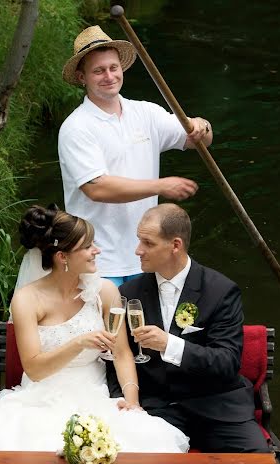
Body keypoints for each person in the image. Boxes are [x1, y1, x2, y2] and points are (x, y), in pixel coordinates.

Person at [0, 204, 206, 464]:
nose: (96, 251)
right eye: (87, 246)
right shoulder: (27, 299)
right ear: (63, 257)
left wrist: (131, 400)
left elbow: (121, 353)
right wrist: (79, 343)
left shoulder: (104, 292)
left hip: (95, 396)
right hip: (40, 399)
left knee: (145, 457)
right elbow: (34, 367)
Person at [111, 203, 270, 464]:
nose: (137, 250)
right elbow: (118, 356)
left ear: (175, 245)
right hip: (160, 407)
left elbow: (226, 363)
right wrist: (124, 399)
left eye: (148, 243)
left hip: (218, 404)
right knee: (133, 460)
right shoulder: (129, 293)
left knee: (254, 459)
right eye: (138, 240)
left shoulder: (221, 291)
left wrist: (170, 344)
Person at [58, 25, 213, 285]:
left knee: (146, 326)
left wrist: (200, 125)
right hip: (98, 260)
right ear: (82, 77)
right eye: (98, 71)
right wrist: (161, 186)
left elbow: (198, 140)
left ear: (122, 68)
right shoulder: (76, 127)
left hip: (146, 257)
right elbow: (97, 188)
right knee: (110, 326)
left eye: (113, 68)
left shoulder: (145, 113)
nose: (109, 76)